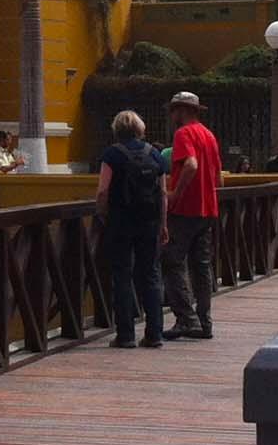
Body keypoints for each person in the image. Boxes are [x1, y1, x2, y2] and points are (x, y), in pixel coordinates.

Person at [94, 111, 168, 348]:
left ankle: (125, 335)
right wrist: (163, 223)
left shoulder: (112, 154)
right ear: (140, 129)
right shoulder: (154, 154)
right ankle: (155, 333)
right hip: (149, 222)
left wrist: (103, 214)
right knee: (151, 275)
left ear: (116, 130)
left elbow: (103, 191)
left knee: (122, 275)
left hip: (121, 221)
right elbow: (163, 193)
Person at [160, 91, 223, 341]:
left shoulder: (183, 134)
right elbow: (218, 177)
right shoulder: (209, 135)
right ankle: (205, 322)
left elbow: (191, 165)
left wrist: (175, 192)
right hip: (208, 208)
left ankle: (187, 319)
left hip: (186, 209)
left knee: (171, 261)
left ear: (181, 110)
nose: (172, 115)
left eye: (173, 110)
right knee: (201, 266)